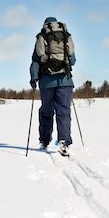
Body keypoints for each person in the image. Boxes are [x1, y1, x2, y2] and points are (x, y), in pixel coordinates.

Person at [29, 17, 76, 156]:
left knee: (46, 111)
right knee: (63, 111)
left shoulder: (42, 37)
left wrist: (33, 78)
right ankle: (64, 141)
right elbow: (72, 60)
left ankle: (44, 141)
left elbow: (35, 61)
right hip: (65, 82)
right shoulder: (65, 35)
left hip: (46, 82)